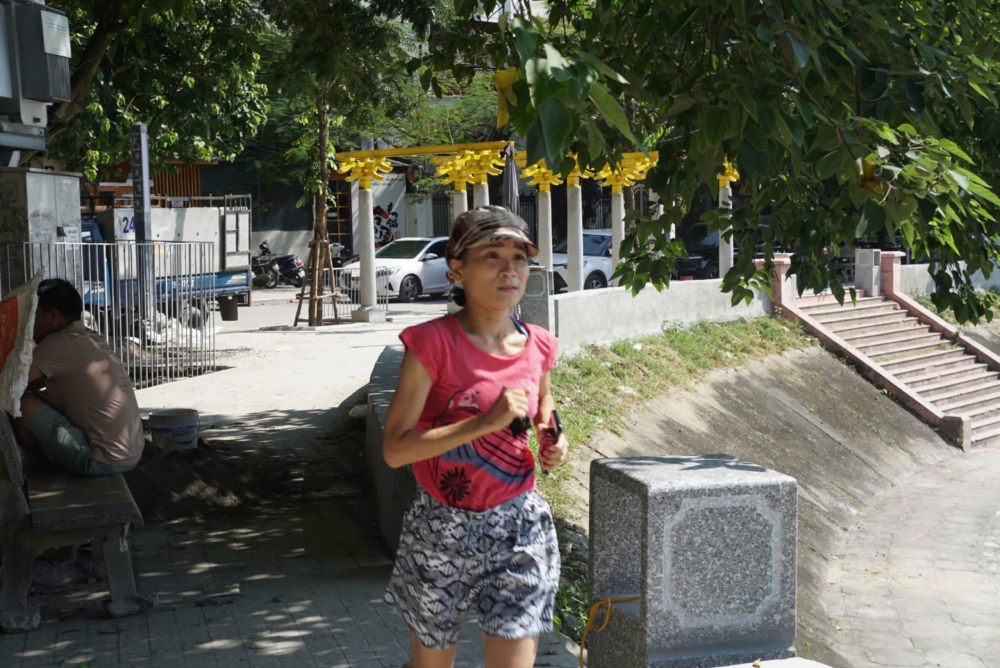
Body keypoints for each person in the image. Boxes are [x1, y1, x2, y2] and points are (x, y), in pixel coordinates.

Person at [382, 206, 569, 668]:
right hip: (440, 529)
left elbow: (543, 408)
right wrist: (482, 423)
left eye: (519, 257)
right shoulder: (432, 344)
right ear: (457, 269)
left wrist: (554, 440)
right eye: (492, 255)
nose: (510, 269)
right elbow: (394, 450)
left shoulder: (539, 342)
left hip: (520, 528)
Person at [11, 278, 143, 476]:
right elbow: (38, 380)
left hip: (102, 459)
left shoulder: (57, 344)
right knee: (34, 397)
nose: (26, 321)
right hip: (128, 453)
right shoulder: (87, 338)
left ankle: (40, 465)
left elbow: (10, 385)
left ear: (53, 316)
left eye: (32, 314)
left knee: (20, 404)